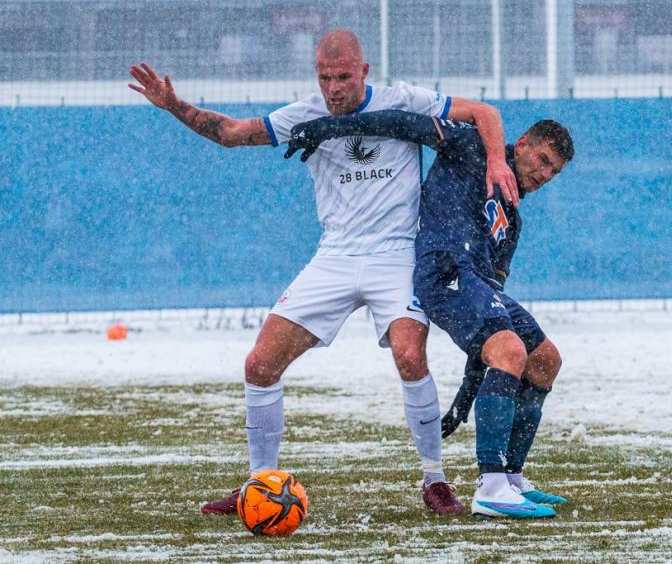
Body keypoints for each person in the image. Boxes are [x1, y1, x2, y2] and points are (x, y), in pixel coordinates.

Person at [128, 29, 520, 516]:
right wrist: (174, 105)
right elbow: (231, 133)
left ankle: (434, 479)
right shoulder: (304, 114)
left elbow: (485, 113)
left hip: (395, 254)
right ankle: (259, 483)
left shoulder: (405, 99)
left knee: (410, 356)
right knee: (259, 366)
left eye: (341, 77)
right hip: (334, 256)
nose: (333, 88)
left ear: (363, 72)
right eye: (324, 78)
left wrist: (498, 162)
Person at [285, 109, 574, 518]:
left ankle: (510, 477)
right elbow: (403, 123)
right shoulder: (473, 145)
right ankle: (491, 487)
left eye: (555, 172)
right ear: (522, 144)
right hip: (444, 270)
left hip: (474, 281)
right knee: (511, 350)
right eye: (543, 160)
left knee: (544, 360)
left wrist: (466, 394)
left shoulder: (511, 220)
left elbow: (490, 323)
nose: (545, 175)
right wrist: (328, 127)